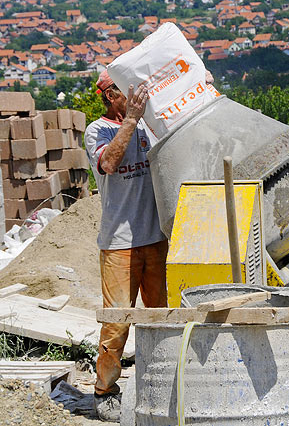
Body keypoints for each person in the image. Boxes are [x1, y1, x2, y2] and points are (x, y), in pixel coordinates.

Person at [84, 70, 168, 422]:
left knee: (162, 317)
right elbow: (109, 163)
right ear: (109, 97)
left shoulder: (148, 124)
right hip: (119, 244)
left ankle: (160, 384)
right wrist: (131, 120)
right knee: (117, 323)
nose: (133, 95)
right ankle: (105, 390)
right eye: (123, 91)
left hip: (157, 237)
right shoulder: (96, 131)